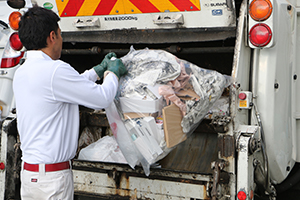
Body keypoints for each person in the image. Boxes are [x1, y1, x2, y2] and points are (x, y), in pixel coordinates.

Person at [13, 6, 127, 200]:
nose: (61, 39)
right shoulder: (54, 70)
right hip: (53, 181)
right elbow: (102, 97)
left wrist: (97, 71)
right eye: (60, 34)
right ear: (52, 36)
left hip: (31, 177)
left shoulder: (23, 72)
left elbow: (68, 87)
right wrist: (112, 73)